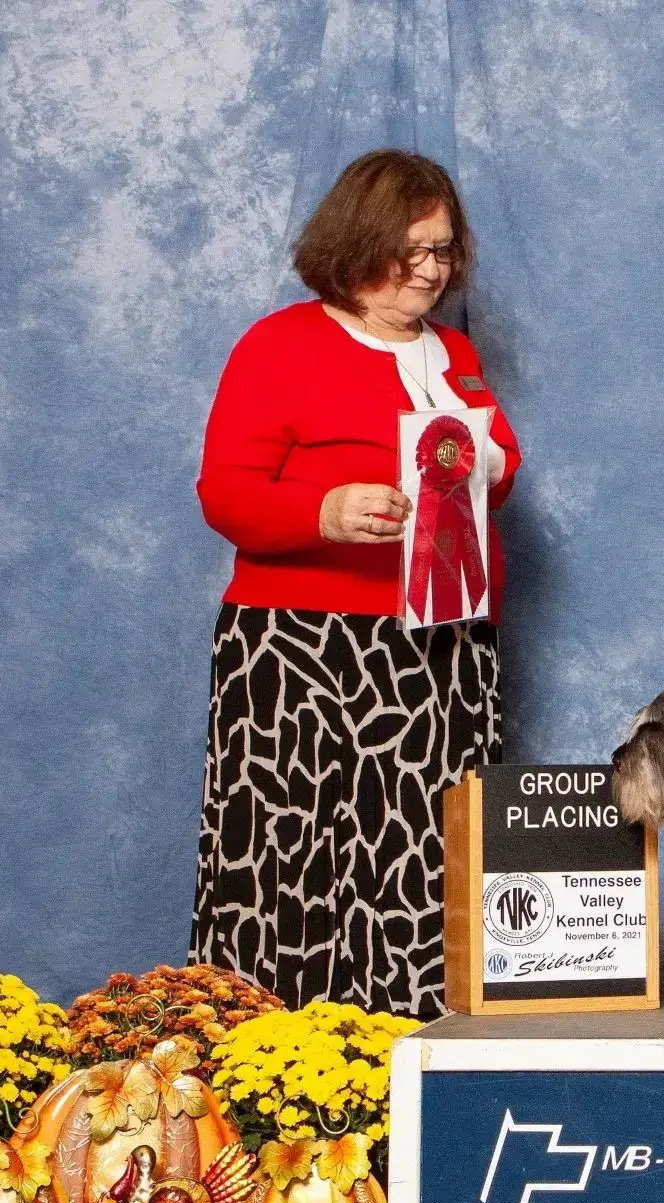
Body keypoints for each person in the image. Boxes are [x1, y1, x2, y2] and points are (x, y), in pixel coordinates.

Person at [192, 149, 520, 1017]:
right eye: (410, 249)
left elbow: (500, 466)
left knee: (423, 857)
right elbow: (225, 494)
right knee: (281, 856)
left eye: (443, 249)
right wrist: (324, 512)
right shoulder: (280, 343)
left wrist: (481, 465)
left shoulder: (453, 353)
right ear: (356, 244)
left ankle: (417, 1049)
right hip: (298, 648)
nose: (431, 268)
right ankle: (262, 1062)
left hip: (438, 648)